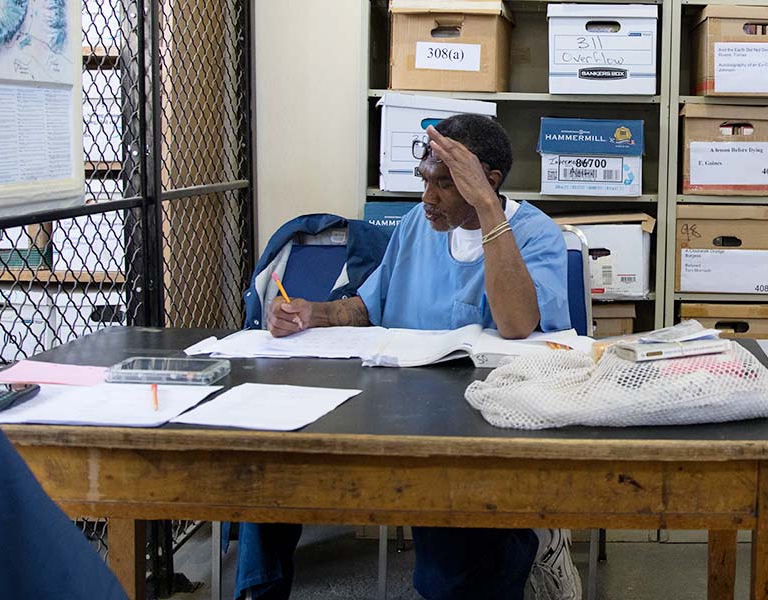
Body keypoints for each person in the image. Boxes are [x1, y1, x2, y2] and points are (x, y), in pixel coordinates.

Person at [235, 114, 580, 600]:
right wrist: (314, 313)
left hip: (475, 418)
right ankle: (260, 590)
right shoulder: (417, 226)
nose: (427, 198)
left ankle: (525, 549)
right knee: (272, 471)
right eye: (425, 180)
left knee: (455, 559)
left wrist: (486, 210)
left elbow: (517, 324)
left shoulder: (533, 234)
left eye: (446, 184)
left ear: (489, 183)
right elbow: (365, 307)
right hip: (396, 404)